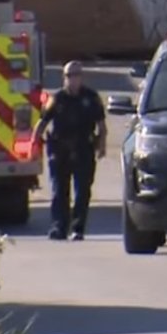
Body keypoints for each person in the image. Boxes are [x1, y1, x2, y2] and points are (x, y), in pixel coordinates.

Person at [30, 61, 107, 241]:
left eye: (76, 75)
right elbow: (42, 123)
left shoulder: (91, 98)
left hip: (83, 149)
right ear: (64, 78)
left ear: (81, 77)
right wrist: (34, 144)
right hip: (60, 151)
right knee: (59, 191)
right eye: (69, 75)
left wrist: (102, 145)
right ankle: (58, 227)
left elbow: (102, 126)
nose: (73, 79)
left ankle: (77, 228)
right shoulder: (57, 99)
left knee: (82, 192)